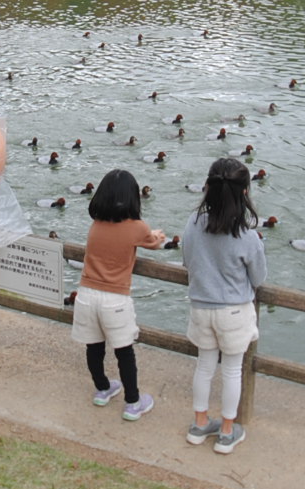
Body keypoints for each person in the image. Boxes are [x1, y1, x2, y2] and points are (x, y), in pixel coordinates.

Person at [179, 156, 266, 453]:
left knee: (204, 367)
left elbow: (187, 262)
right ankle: (227, 432)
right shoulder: (247, 235)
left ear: (208, 188)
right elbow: (259, 278)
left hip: (201, 307)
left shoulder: (193, 223)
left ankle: (200, 425)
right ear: (244, 192)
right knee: (232, 371)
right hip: (233, 311)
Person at [74, 168, 166, 420]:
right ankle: (133, 402)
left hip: (86, 294)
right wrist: (156, 235)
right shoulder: (137, 227)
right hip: (114, 298)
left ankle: (102, 389)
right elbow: (153, 242)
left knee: (94, 346)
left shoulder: (96, 225)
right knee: (124, 351)